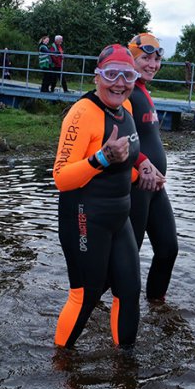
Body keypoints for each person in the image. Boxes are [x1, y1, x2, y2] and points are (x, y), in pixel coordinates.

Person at [52, 44, 144, 349]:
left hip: (119, 217)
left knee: (129, 291)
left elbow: (125, 164)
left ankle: (125, 371)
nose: (119, 82)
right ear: (97, 77)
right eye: (111, 74)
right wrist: (101, 158)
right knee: (86, 294)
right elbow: (62, 179)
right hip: (83, 216)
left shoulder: (126, 109)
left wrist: (142, 169)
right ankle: (61, 365)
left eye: (127, 74)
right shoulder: (81, 114)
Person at [127, 33, 178, 302]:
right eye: (145, 58)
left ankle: (157, 307)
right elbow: (113, 132)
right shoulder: (125, 90)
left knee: (168, 249)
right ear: (130, 59)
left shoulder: (144, 91)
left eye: (156, 59)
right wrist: (141, 164)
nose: (152, 64)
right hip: (137, 185)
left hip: (155, 186)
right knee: (128, 256)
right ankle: (89, 306)